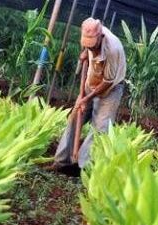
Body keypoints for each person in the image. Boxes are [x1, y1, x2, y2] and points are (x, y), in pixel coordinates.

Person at [51, 18, 126, 170]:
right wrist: (85, 52)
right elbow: (88, 49)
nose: (91, 49)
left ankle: (81, 167)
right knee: (74, 118)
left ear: (101, 37)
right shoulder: (89, 38)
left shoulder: (113, 49)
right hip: (91, 82)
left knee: (100, 127)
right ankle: (61, 162)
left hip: (111, 88)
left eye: (93, 46)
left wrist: (85, 99)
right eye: (87, 45)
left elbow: (107, 82)